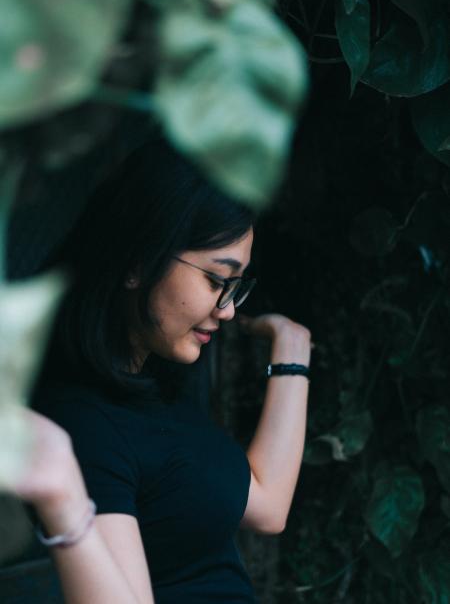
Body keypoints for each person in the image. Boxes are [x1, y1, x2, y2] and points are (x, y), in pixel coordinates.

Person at [4, 132, 312, 603]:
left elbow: (267, 506)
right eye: (216, 280)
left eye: (236, 286)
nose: (228, 309)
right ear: (138, 259)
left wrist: (292, 348)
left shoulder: (153, 385)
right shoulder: (85, 423)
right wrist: (62, 497)